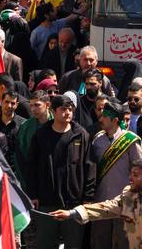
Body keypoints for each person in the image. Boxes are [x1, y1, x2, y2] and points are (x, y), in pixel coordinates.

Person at [49, 159, 142, 249]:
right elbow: (105, 208)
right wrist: (72, 213)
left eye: (135, 175)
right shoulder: (128, 196)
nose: (130, 178)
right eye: (131, 173)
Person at [27, 94, 95, 249]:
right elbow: (31, 166)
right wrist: (33, 194)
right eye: (63, 109)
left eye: (70, 109)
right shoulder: (41, 134)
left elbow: (89, 167)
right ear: (53, 110)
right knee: (45, 244)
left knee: (74, 244)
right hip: (46, 201)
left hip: (74, 203)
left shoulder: (81, 135)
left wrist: (87, 198)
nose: (67, 113)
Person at [89, 100, 142, 249]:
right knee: (100, 242)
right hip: (101, 201)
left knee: (124, 242)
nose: (100, 119)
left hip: (125, 202)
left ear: (114, 120)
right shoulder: (97, 139)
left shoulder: (130, 141)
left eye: (104, 117)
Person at [0, 90, 26, 173]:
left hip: (18, 171)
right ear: (1, 102)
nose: (9, 106)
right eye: (6, 102)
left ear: (17, 105)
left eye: (12, 103)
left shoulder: (23, 124)